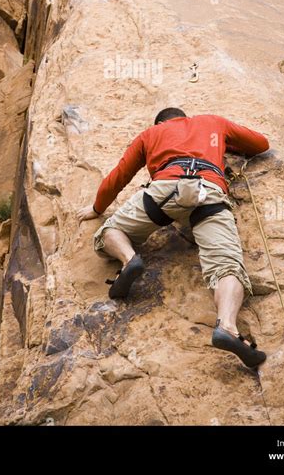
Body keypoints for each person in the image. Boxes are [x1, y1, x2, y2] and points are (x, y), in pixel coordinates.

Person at [77, 108, 269, 368]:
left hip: (164, 190)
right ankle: (227, 327)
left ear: (160, 122)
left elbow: (119, 175)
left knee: (110, 232)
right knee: (227, 266)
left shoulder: (151, 134)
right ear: (184, 117)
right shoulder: (212, 122)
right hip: (208, 191)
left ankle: (129, 259)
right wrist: (225, 143)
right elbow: (260, 144)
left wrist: (97, 208)